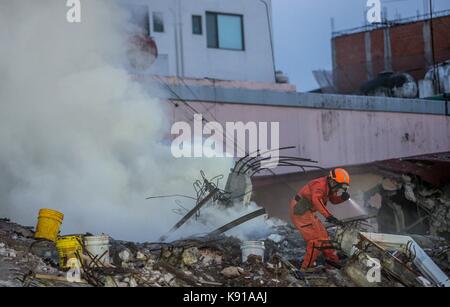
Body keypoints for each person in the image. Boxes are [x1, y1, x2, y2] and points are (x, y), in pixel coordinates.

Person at [289, 168, 351, 270]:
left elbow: (333, 200)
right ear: (332, 180)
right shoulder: (319, 185)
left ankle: (332, 262)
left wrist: (342, 198)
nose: (337, 190)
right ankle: (305, 269)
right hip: (300, 212)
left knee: (324, 236)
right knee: (315, 241)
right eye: (338, 187)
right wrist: (329, 216)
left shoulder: (331, 186)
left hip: (308, 211)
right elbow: (316, 200)